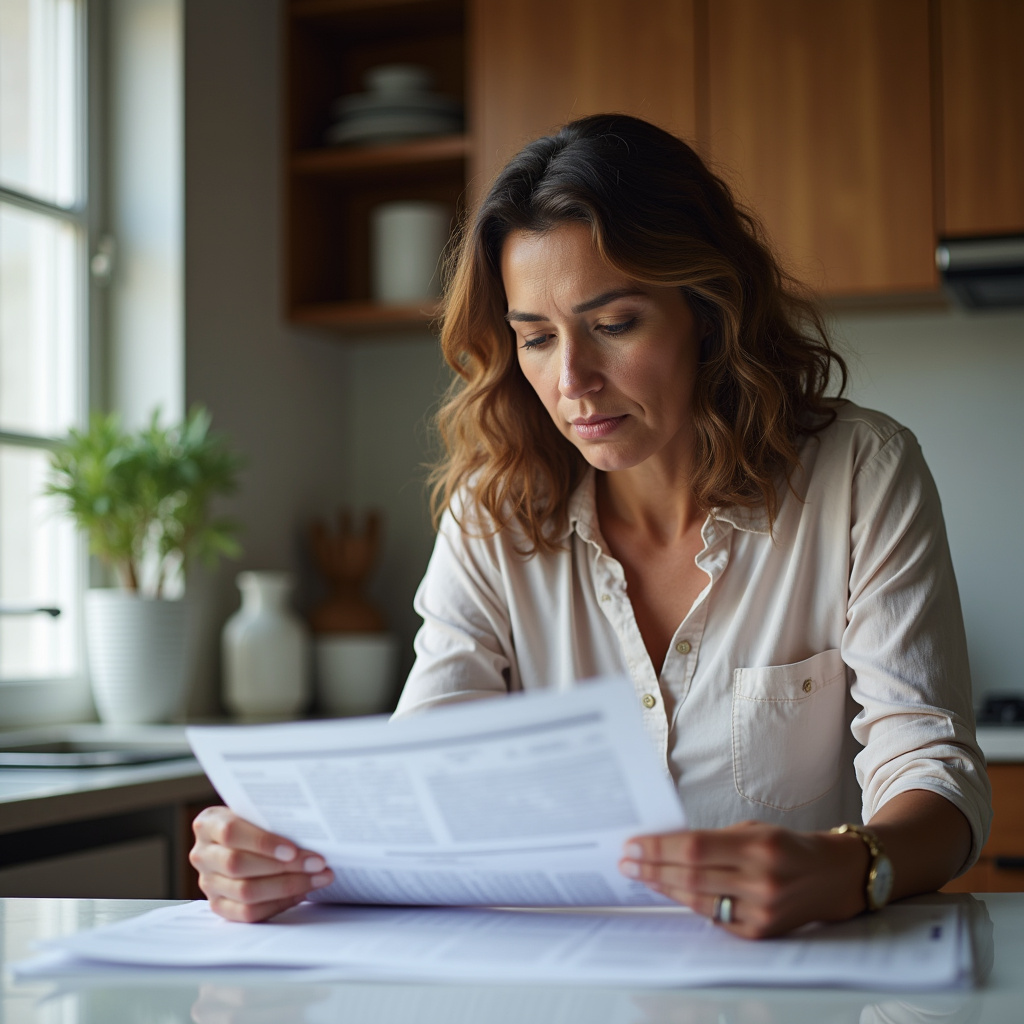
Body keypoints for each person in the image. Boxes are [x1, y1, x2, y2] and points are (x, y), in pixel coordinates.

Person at [191, 114, 991, 938]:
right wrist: (279, 857)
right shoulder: (493, 513)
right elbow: (429, 770)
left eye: (614, 325)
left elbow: (931, 766)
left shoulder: (860, 474)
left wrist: (853, 866)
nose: (572, 379)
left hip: (788, 972)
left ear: (707, 311)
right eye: (537, 338)